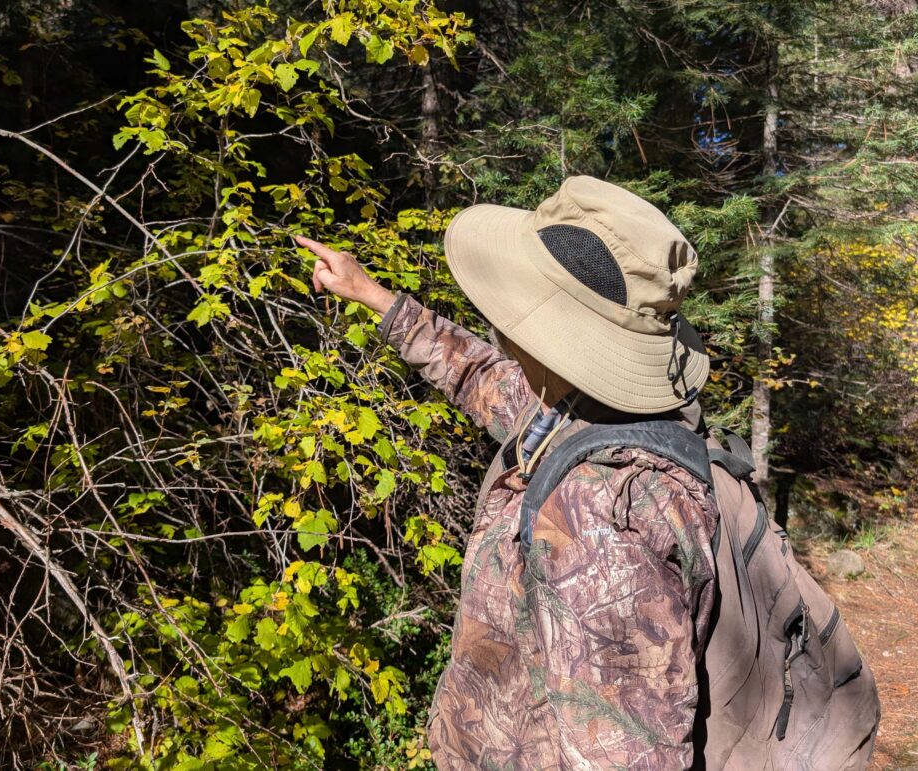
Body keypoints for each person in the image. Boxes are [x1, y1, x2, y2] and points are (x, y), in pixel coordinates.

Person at [296, 175, 717, 769]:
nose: (499, 319)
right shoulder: (580, 407)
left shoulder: (593, 518)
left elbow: (628, 752)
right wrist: (372, 295)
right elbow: (481, 377)